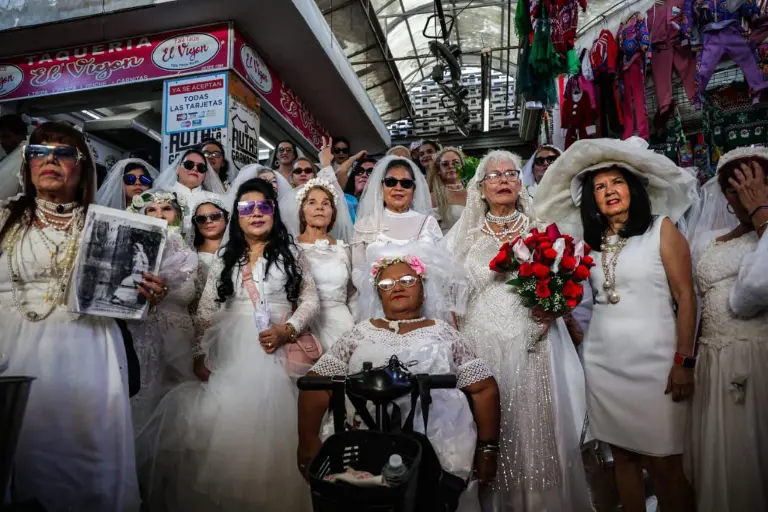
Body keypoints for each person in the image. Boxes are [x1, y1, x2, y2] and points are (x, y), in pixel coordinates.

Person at [0, 122, 170, 510]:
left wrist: (147, 294)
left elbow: (124, 293)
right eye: (39, 153)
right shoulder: (3, 218)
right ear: (26, 165)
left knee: (84, 460)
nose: (50, 161)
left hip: (88, 351)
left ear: (83, 168)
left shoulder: (110, 226)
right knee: (17, 455)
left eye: (64, 153)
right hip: (11, 350)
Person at [533, 137, 699, 512]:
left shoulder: (663, 229)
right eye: (600, 187)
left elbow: (687, 297)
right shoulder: (589, 245)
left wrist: (684, 361)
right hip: (603, 363)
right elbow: (575, 301)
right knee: (622, 460)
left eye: (617, 182)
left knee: (665, 462)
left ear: (633, 188)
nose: (609, 191)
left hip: (657, 363)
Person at [135, 178, 318, 511]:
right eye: (247, 208)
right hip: (230, 352)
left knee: (273, 434)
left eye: (264, 206)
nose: (256, 213)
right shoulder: (225, 256)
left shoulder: (292, 253)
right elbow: (206, 309)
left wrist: (287, 329)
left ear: (274, 212)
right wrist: (200, 353)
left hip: (274, 350)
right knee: (228, 433)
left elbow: (309, 299)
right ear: (238, 215)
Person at [444, 149, 591, 511]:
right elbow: (449, 298)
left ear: (520, 183)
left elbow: (571, 286)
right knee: (488, 424)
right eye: (494, 176)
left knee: (535, 426)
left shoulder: (542, 231)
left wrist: (555, 307)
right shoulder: (462, 237)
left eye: (510, 173)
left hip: (534, 339)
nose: (503, 180)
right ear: (480, 188)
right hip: (479, 341)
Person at [297, 252, 501, 508]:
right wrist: (307, 441)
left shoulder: (445, 333)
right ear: (378, 295)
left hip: (440, 450)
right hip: (363, 449)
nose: (397, 288)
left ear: (423, 290)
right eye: (386, 284)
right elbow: (317, 386)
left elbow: (484, 389)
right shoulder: (359, 334)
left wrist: (488, 449)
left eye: (407, 280)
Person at [686, 147, 768, 512]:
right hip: (710, 362)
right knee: (719, 454)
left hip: (757, 358)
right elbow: (695, 306)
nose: (744, 197)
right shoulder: (706, 240)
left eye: (757, 185)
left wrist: (762, 215)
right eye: (735, 189)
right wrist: (687, 363)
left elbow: (747, 297)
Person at [126, 188, 199, 431]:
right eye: (151, 209)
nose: (159, 214)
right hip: (138, 334)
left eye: (167, 208)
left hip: (179, 340)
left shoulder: (190, 255)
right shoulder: (129, 252)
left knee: (177, 408)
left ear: (178, 215)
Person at [351, 155, 442, 300]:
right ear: (382, 187)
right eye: (391, 182)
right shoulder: (365, 225)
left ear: (413, 189)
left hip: (424, 301)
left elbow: (441, 267)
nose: (398, 188)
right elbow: (357, 269)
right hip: (378, 303)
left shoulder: (428, 222)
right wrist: (381, 292)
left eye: (405, 183)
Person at [295, 177, 356, 351]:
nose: (319, 207)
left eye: (326, 203)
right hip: (304, 325)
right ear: (303, 210)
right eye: (312, 202)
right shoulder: (291, 248)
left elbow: (352, 294)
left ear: (333, 212)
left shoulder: (343, 249)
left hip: (343, 325)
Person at [154, 148, 226, 234]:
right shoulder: (160, 194)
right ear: (177, 169)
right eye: (189, 165)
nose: (195, 169)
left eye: (201, 167)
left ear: (205, 175)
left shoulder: (216, 199)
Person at [233, 163, 300, 237]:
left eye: (274, 181)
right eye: (264, 180)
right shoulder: (243, 204)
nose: (270, 184)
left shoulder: (289, 207)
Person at [190, 192, 229, 282]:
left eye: (215, 216)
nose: (208, 221)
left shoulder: (240, 248)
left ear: (226, 218)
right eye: (201, 219)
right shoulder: (190, 252)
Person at [95, 158, 159, 210]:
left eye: (144, 180)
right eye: (130, 179)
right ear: (119, 183)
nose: (138, 183)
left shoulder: (157, 212)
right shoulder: (105, 210)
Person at [429, 146, 467, 233]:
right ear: (439, 170)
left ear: (462, 166)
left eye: (456, 163)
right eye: (445, 164)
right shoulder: (434, 197)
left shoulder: (474, 192)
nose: (451, 166)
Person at [342, 156, 376, 223]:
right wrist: (354, 158)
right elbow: (341, 171)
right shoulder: (343, 200)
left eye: (370, 172)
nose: (364, 175)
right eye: (360, 171)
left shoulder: (380, 205)